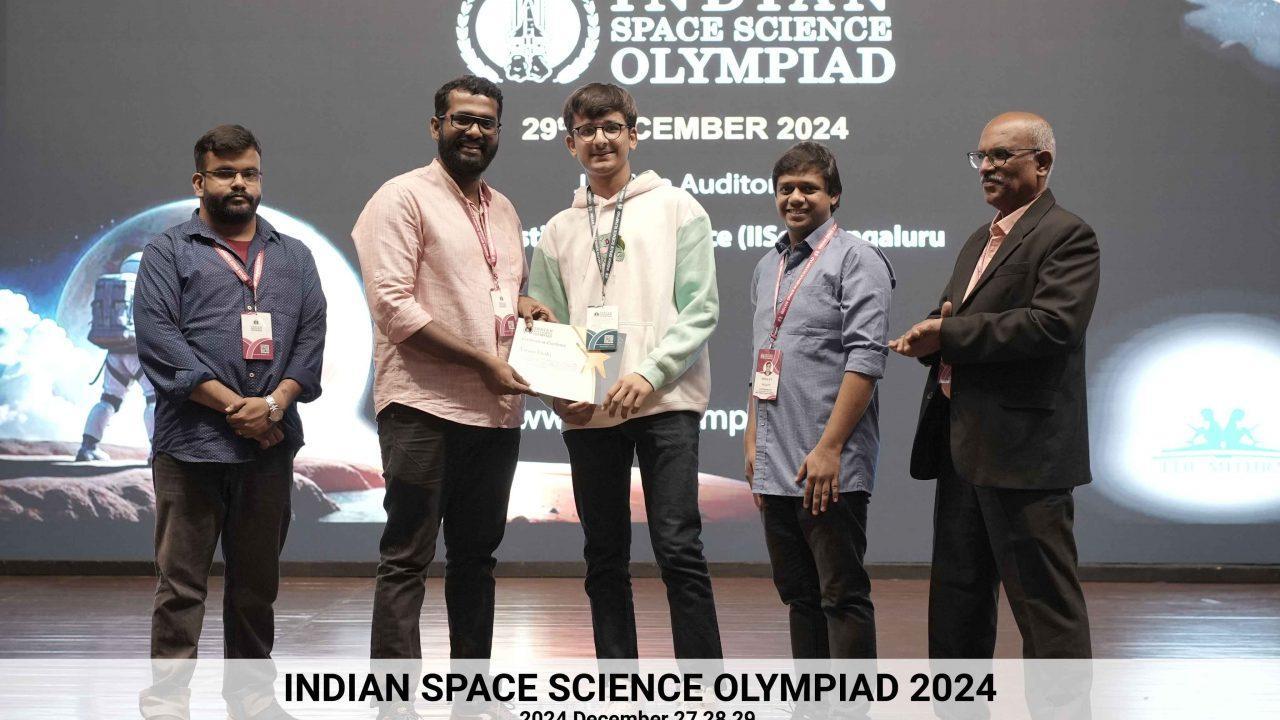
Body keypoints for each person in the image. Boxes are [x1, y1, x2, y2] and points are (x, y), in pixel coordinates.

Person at [350, 75, 553, 708]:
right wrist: (481, 361)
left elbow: (493, 293)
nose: (473, 131)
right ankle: (394, 703)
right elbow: (393, 308)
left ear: (499, 133)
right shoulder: (401, 198)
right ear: (436, 125)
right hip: (423, 407)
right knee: (407, 556)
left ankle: (471, 695)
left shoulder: (505, 209)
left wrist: (524, 306)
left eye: (486, 122)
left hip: (493, 414)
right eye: (461, 119)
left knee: (476, 559)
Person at [134, 124, 327, 719]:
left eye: (249, 173)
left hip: (269, 447)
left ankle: (252, 700)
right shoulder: (168, 251)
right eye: (225, 173)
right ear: (200, 181)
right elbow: (160, 343)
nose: (239, 183)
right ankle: (167, 704)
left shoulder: (293, 255)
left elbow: (311, 340)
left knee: (255, 587)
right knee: (180, 586)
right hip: (189, 448)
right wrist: (236, 408)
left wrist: (275, 404)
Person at [890, 112, 1099, 659]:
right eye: (981, 156)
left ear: (1042, 163)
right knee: (956, 605)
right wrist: (929, 335)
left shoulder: (1067, 234)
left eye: (1001, 155)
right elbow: (954, 316)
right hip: (963, 448)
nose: (986, 167)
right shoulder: (977, 241)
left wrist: (948, 335)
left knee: (1045, 611)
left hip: (1025, 456)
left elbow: (1053, 325)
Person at [527, 82, 722, 659]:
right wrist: (558, 394)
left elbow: (701, 308)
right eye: (586, 130)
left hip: (666, 402)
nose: (600, 139)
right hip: (591, 413)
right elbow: (547, 325)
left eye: (611, 127)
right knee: (603, 557)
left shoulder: (679, 207)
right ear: (570, 144)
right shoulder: (558, 230)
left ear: (633, 135)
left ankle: (707, 691)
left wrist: (650, 373)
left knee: (678, 548)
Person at [745, 142, 894, 659]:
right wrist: (752, 441)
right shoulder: (767, 266)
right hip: (776, 464)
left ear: (834, 196)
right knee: (799, 597)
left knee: (841, 596)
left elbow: (866, 360)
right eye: (786, 188)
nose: (796, 198)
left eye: (809, 188)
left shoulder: (857, 259)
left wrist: (830, 448)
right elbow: (763, 360)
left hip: (829, 466)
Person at [77, 251, 156, 461]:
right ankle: (157, 452)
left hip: (114, 354)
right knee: (154, 400)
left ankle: (87, 448)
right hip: (139, 355)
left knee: (108, 400)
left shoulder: (114, 290)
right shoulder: (148, 290)